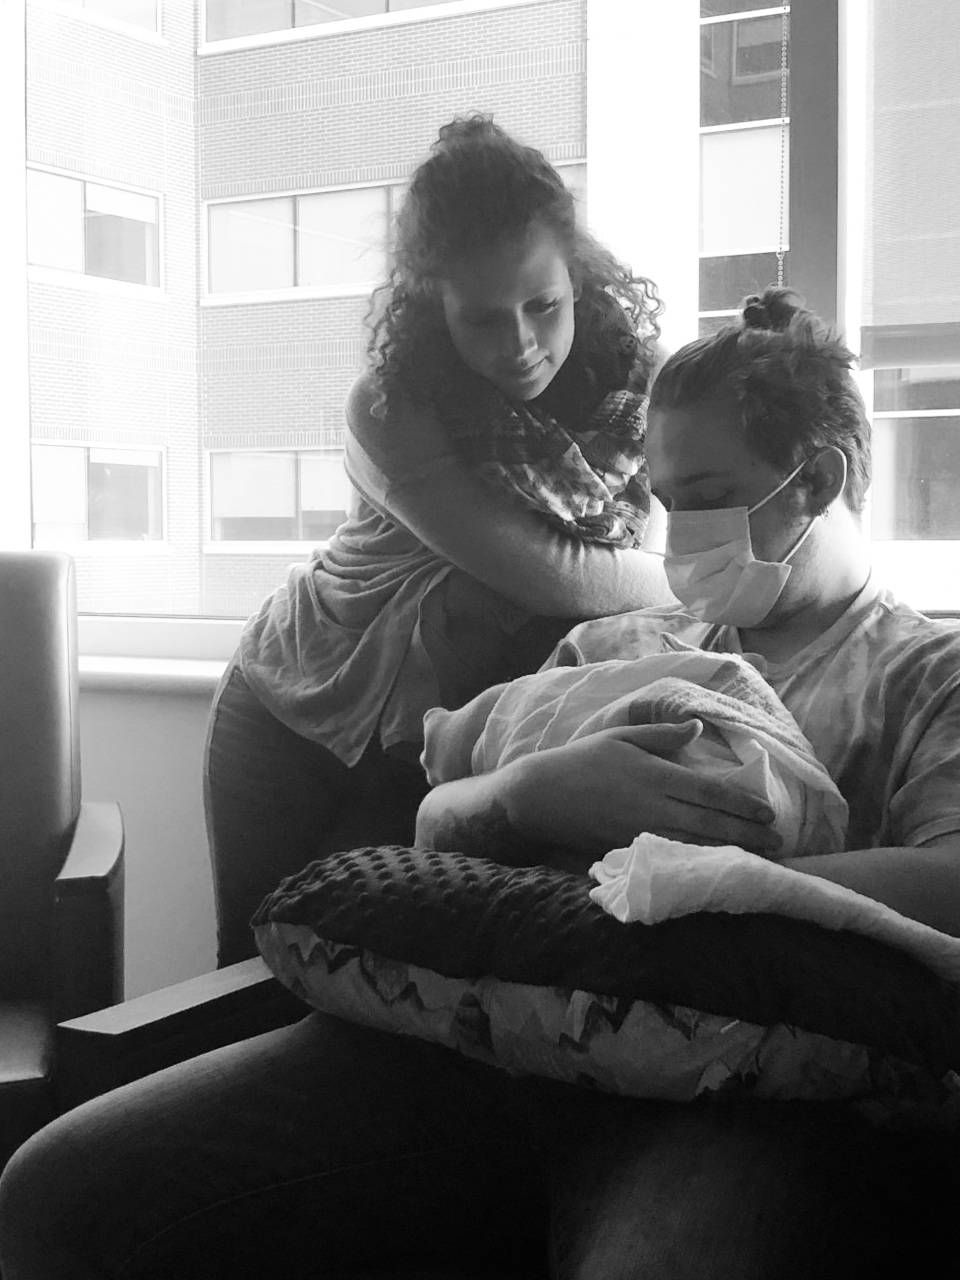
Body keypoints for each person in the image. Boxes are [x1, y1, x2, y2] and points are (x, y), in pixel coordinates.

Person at [4, 289, 960, 1279]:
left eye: (709, 493)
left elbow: (951, 881)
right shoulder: (612, 645)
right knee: (57, 1192)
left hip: (723, 1095)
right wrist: (532, 793)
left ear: (818, 480)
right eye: (667, 500)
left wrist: (687, 880)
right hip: (477, 1049)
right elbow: (435, 831)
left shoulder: (928, 676)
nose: (679, 533)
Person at [205, 114, 677, 966]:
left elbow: (631, 588)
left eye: (543, 306)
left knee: (386, 980)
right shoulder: (389, 406)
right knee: (248, 980)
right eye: (483, 319)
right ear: (433, 305)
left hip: (437, 740)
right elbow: (556, 579)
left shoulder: (645, 397)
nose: (521, 344)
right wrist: (695, 579)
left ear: (578, 277)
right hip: (293, 706)